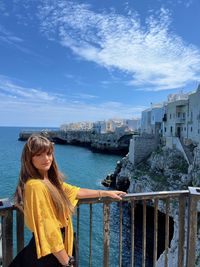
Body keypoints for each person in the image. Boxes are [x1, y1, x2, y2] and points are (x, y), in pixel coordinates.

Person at [8, 134, 126, 267]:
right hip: (51, 252)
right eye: (38, 155)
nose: (46, 159)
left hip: (58, 247)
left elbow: (75, 191)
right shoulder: (35, 186)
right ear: (29, 159)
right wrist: (66, 261)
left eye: (48, 153)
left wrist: (105, 193)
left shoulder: (50, 181)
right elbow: (49, 229)